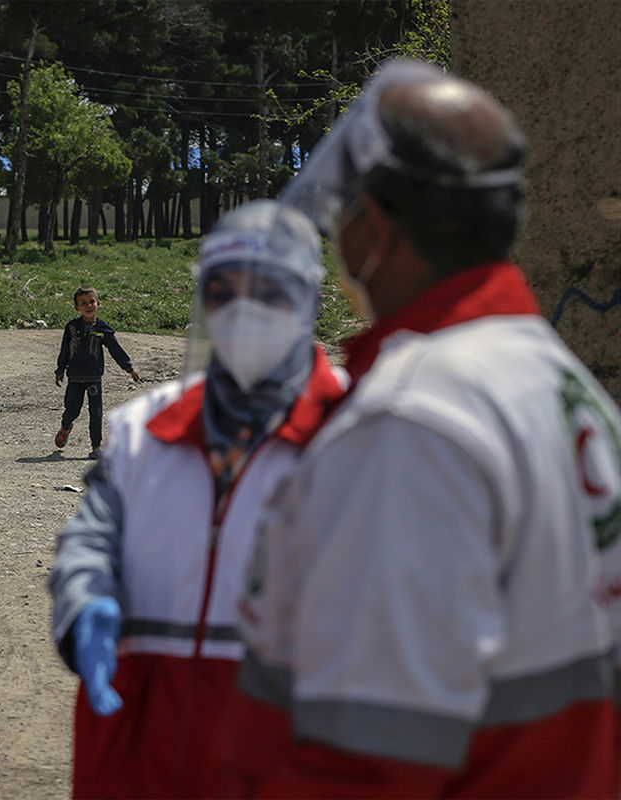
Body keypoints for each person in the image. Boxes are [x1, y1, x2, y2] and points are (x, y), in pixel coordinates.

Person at [224, 59, 620, 797]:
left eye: (344, 215)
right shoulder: (563, 381)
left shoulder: (411, 421)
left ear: (375, 226)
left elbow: (362, 767)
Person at [47, 201, 346, 799]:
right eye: (224, 293)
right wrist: (82, 599)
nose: (243, 312)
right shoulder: (146, 428)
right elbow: (91, 533)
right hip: (139, 749)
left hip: (278, 751)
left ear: (307, 303)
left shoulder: (355, 433)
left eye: (268, 294)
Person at [54, 286, 140, 459]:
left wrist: (129, 368)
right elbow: (64, 350)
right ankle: (66, 426)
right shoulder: (71, 327)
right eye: (83, 303)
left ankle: (96, 447)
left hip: (94, 377)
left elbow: (115, 349)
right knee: (72, 409)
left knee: (96, 412)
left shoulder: (102, 329)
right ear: (76, 308)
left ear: (98, 303)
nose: (88, 305)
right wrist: (60, 369)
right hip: (75, 376)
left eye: (91, 301)